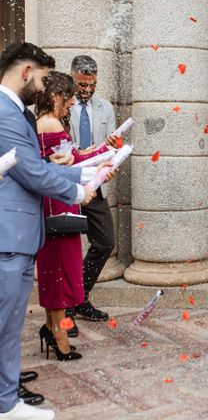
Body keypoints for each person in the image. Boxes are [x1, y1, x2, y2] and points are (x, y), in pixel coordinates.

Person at [0, 42, 99, 420]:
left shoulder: (15, 110)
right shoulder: (6, 113)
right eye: (42, 78)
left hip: (21, 233)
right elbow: (28, 170)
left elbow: (36, 164)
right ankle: (6, 403)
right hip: (10, 232)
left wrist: (81, 171)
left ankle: (6, 391)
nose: (44, 87)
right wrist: (76, 188)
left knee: (9, 324)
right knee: (5, 322)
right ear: (26, 71)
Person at [35, 71, 112, 361]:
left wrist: (101, 153)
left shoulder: (44, 123)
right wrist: (104, 159)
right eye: (67, 97)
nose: (70, 103)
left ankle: (51, 329)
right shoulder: (51, 123)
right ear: (56, 96)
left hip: (53, 200)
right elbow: (69, 164)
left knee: (54, 271)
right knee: (60, 272)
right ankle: (61, 340)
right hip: (58, 203)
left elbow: (71, 157)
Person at [66, 55, 118, 335]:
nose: (87, 90)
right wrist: (84, 153)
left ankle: (80, 297)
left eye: (92, 85)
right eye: (82, 85)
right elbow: (64, 147)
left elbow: (109, 147)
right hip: (69, 185)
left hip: (96, 186)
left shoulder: (105, 108)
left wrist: (112, 148)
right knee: (69, 250)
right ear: (73, 78)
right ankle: (67, 309)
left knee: (105, 241)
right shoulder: (63, 104)